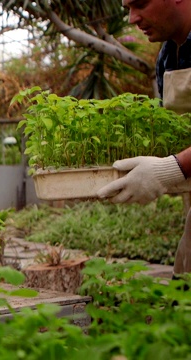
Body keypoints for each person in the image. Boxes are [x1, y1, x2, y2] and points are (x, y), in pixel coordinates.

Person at [97, 0, 191, 275]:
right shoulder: (167, 56)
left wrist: (172, 168)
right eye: (127, 7)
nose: (131, 18)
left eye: (140, 4)